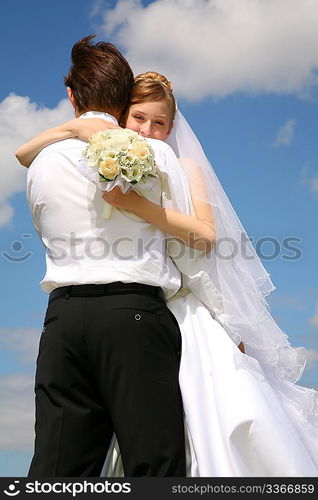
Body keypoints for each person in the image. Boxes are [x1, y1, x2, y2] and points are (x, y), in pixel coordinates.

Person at [17, 70, 318, 477]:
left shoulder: (179, 165)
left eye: (159, 123)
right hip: (141, 314)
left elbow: (206, 237)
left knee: (191, 440)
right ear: (122, 116)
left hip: (179, 312)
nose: (148, 130)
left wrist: (135, 206)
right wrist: (76, 127)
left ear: (172, 126)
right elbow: (23, 153)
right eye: (139, 118)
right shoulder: (107, 159)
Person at [21, 36, 221, 477]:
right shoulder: (159, 156)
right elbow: (193, 247)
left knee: (57, 469)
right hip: (134, 315)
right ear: (122, 97)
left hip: (62, 322)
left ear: (72, 96)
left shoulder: (41, 162)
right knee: (153, 463)